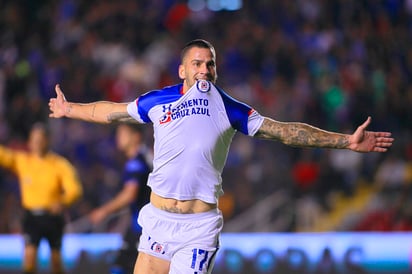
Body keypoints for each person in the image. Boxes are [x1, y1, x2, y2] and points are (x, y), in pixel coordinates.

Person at [48, 39, 394, 274]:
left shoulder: (230, 108)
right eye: (196, 63)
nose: (204, 69)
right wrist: (69, 109)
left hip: (197, 229)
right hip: (157, 221)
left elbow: (285, 131)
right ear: (182, 70)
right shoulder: (159, 100)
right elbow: (112, 112)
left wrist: (345, 141)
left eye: (210, 64)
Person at [0, 122, 83, 274]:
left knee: (56, 262)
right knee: (29, 260)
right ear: (29, 142)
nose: (37, 143)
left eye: (40, 139)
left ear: (47, 140)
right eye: (34, 140)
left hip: (52, 218)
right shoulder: (23, 161)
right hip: (31, 217)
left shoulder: (59, 164)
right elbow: (4, 155)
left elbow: (74, 189)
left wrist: (63, 202)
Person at [88, 122, 151, 274]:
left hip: (142, 229)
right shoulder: (147, 157)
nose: (118, 138)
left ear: (136, 137)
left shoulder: (135, 163)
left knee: (120, 268)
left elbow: (130, 194)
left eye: (122, 134)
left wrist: (103, 211)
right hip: (143, 227)